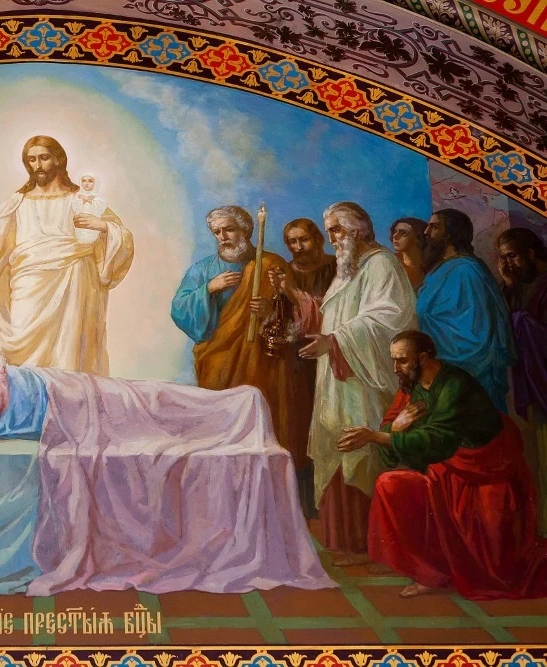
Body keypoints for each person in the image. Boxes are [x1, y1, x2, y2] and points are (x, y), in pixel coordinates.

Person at [0, 334, 335, 595]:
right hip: (63, 407)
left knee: (149, 401)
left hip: (62, 393)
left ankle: (235, 407)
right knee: (148, 407)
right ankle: (234, 408)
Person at [339, 330, 547, 599]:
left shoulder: (454, 385)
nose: (395, 368)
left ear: (423, 358)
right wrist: (396, 428)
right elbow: (390, 452)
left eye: (402, 360)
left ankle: (443, 572)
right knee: (389, 484)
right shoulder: (410, 387)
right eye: (393, 360)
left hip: (484, 472)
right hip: (444, 470)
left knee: (496, 568)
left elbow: (437, 440)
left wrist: (376, 435)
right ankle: (428, 571)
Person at [270, 201, 416, 567]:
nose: (332, 238)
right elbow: (329, 314)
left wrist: (335, 342)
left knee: (361, 453)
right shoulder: (349, 269)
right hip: (338, 379)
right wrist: (296, 300)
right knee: (338, 446)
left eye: (336, 229)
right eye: (330, 230)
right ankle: (346, 542)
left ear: (358, 229)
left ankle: (370, 544)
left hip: (364, 380)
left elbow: (388, 318)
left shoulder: (381, 264)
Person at [0, 135, 134, 375]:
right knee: (22, 347)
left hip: (74, 280)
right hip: (28, 281)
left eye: (44, 158)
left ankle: (66, 395)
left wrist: (103, 226)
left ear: (58, 160)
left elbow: (123, 235)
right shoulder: (19, 201)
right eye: (32, 160)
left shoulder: (81, 199)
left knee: (68, 353)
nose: (38, 165)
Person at [172, 205, 309, 504]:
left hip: (264, 363)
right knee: (221, 430)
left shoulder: (270, 264)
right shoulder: (202, 270)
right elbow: (179, 309)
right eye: (217, 232)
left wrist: (271, 310)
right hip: (219, 361)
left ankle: (271, 496)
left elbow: (297, 311)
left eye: (229, 229)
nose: (223, 236)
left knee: (267, 424)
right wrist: (208, 289)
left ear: (246, 230)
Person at [415, 209, 515, 413]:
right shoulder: (441, 268)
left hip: (468, 368)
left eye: (434, 227)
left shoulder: (467, 270)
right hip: (440, 362)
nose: (426, 232)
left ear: (450, 234)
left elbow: (479, 331)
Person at [282, 217, 337, 516]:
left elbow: (330, 312)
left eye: (303, 239)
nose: (298, 247)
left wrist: (293, 293)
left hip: (330, 355)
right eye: (292, 241)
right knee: (299, 425)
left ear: (317, 239)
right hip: (295, 360)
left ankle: (329, 502)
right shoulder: (286, 272)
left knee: (328, 421)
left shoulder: (335, 267)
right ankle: (303, 505)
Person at [498, 226, 547, 537]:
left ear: (531, 253)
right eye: (502, 258)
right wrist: (508, 285)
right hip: (538, 387)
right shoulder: (524, 286)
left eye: (512, 256)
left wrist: (523, 322)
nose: (508, 264)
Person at [389, 217, 427, 290]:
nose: (395, 236)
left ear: (418, 238)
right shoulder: (391, 262)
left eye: (404, 233)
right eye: (394, 232)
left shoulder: (430, 265)